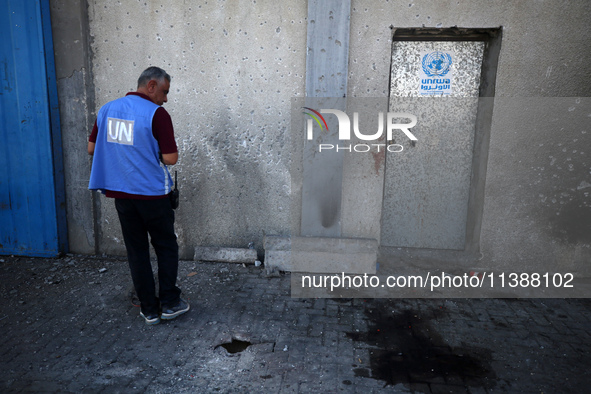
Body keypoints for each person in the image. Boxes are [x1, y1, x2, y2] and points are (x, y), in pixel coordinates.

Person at [88, 66, 189, 325]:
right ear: (152, 86)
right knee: (166, 246)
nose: (165, 98)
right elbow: (171, 158)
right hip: (153, 195)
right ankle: (169, 303)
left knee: (137, 250)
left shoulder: (107, 109)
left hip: (122, 194)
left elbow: (92, 148)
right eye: (164, 91)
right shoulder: (157, 114)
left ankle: (148, 308)